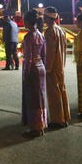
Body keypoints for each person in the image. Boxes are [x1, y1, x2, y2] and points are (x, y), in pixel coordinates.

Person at [21, 10, 47, 138]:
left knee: (32, 99)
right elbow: (44, 54)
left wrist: (26, 74)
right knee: (40, 97)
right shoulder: (41, 35)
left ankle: (35, 127)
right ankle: (42, 124)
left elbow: (28, 58)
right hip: (41, 67)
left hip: (32, 69)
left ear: (27, 22)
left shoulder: (28, 37)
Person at [43, 6, 70, 128]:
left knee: (54, 94)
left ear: (48, 18)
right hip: (60, 66)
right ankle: (65, 117)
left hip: (52, 67)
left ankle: (57, 119)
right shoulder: (60, 30)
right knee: (62, 90)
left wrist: (47, 68)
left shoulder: (49, 31)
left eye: (44, 16)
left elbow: (50, 52)